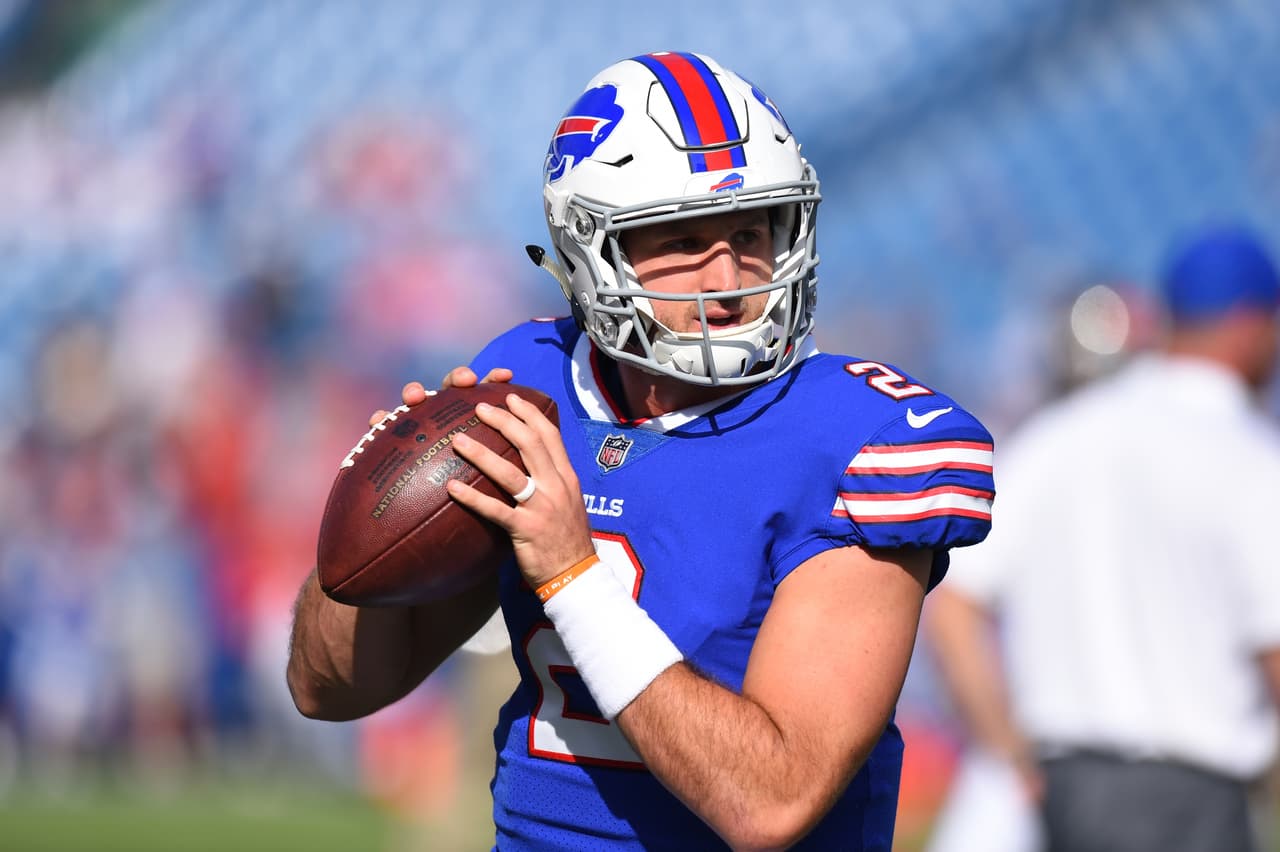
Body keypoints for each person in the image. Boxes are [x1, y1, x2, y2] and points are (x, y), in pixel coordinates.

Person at [286, 51, 995, 850]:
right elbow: (328, 689)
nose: (729, 277)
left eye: (752, 233)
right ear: (594, 251)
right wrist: (370, 519)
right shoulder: (527, 382)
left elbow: (772, 801)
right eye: (685, 239)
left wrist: (570, 575)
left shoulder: (855, 439)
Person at [924, 223, 1280, 852]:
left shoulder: (1058, 438)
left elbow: (951, 604)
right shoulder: (1248, 455)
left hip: (1067, 797)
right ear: (1254, 325)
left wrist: (1006, 747)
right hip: (1194, 803)